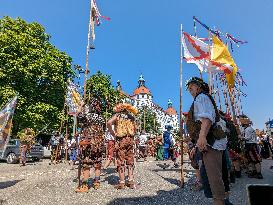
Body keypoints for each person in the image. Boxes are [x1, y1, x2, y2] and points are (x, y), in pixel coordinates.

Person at [185, 77, 232, 205]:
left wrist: (202, 137)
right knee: (219, 177)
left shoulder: (201, 97)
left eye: (191, 88)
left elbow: (206, 118)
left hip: (211, 142)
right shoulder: (204, 97)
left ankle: (220, 202)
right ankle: (225, 201)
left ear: (198, 86)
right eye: (189, 89)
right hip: (215, 142)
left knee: (214, 180)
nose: (190, 91)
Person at [75, 96, 105, 192]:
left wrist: (81, 105)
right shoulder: (101, 118)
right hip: (99, 144)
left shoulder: (88, 116)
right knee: (97, 162)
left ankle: (85, 185)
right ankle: (96, 182)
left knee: (86, 162)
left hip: (88, 143)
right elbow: (103, 130)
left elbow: (78, 115)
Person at [107, 103, 138, 189]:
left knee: (120, 159)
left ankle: (122, 182)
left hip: (121, 140)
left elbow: (109, 122)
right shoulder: (131, 117)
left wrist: (113, 133)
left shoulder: (118, 115)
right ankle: (131, 181)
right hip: (130, 139)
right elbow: (135, 128)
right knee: (130, 159)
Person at [239, 115, 263, 179]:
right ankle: (254, 172)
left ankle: (258, 173)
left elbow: (248, 138)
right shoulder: (249, 128)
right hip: (251, 145)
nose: (241, 124)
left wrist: (241, 137)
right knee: (251, 160)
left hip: (251, 145)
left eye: (242, 122)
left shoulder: (248, 129)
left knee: (255, 160)